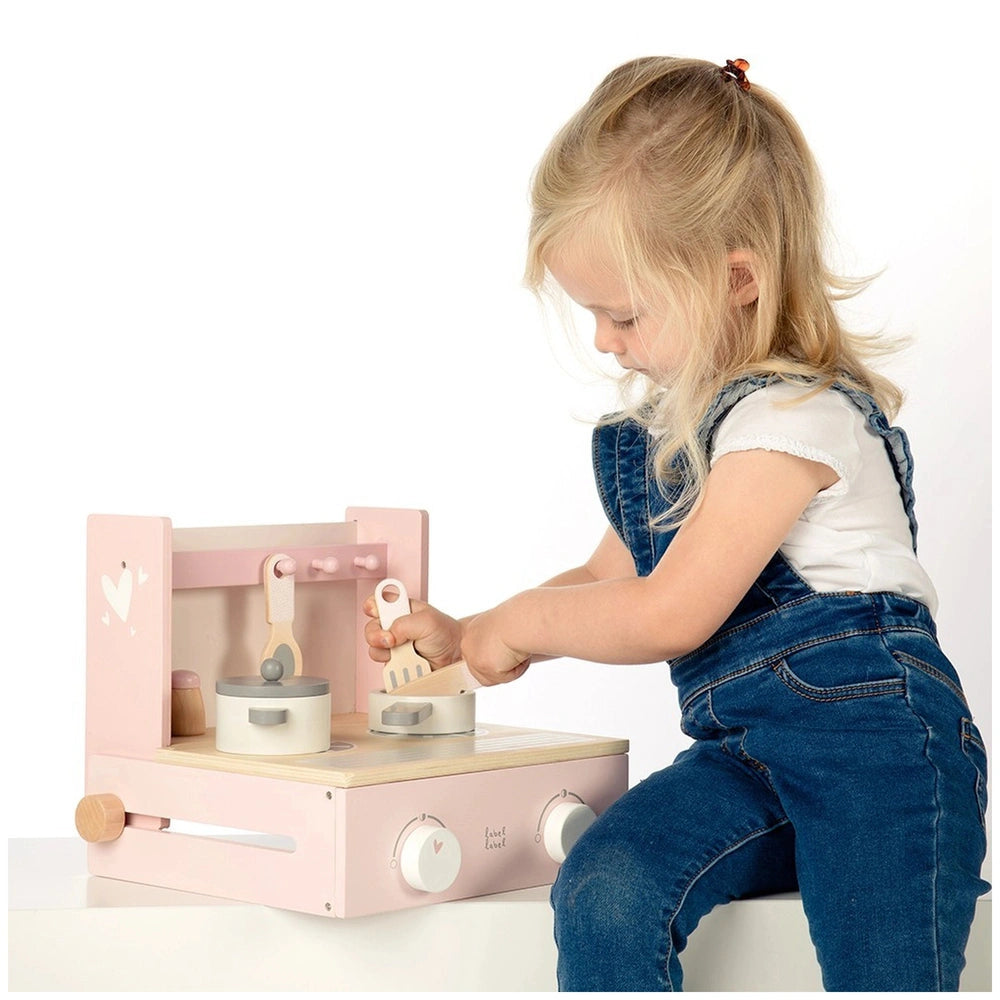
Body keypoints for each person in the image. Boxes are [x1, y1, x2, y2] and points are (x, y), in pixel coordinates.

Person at [363, 56, 988, 991]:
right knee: (607, 883)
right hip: (749, 758)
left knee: (883, 973)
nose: (607, 341)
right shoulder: (683, 440)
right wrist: (469, 636)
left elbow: (670, 613)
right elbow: (608, 584)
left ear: (737, 277)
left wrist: (520, 626)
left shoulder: (793, 421)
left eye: (624, 313)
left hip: (879, 754)